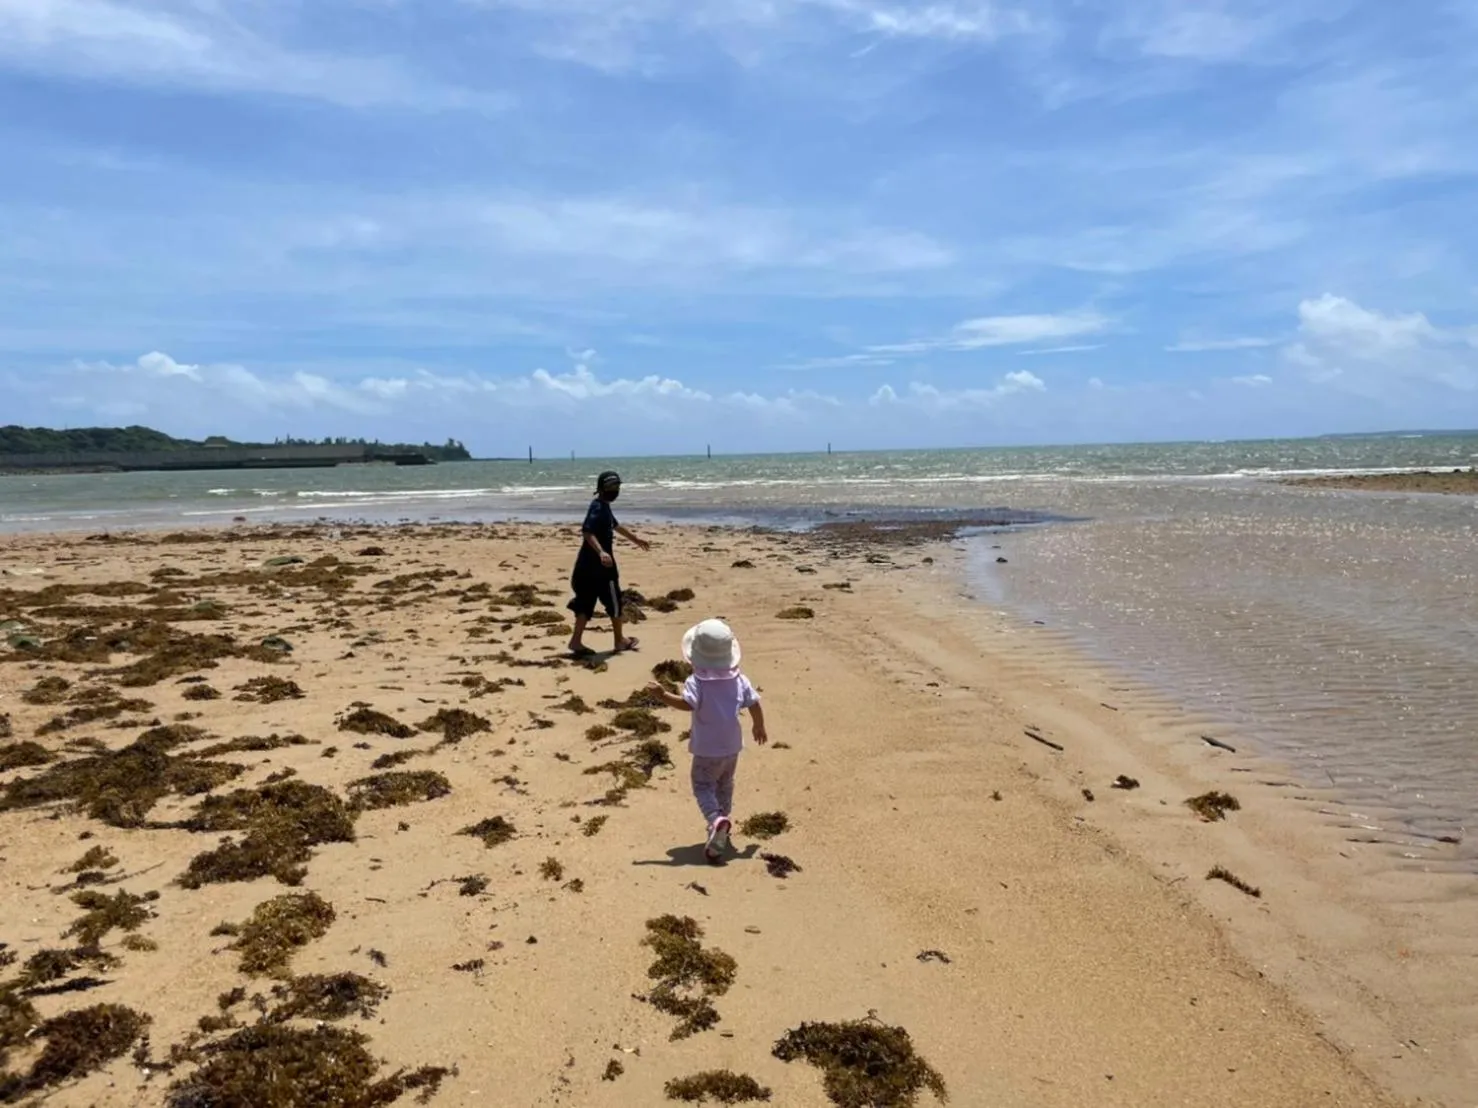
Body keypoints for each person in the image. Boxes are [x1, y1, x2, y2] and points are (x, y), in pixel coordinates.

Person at [646, 618, 768, 862]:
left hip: (706, 750)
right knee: (725, 783)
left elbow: (686, 704)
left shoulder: (696, 682)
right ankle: (721, 826)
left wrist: (662, 695)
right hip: (732, 747)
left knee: (703, 785)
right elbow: (754, 702)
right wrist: (758, 725)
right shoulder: (739, 679)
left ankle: (715, 820)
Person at [568, 470, 649, 656]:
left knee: (585, 604)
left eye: (617, 487)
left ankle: (575, 641)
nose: (615, 490)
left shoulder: (603, 507)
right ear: (601, 489)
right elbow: (587, 532)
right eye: (611, 487)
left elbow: (615, 526)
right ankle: (619, 641)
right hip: (600, 569)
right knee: (614, 603)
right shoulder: (597, 507)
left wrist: (636, 540)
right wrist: (602, 552)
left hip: (585, 568)